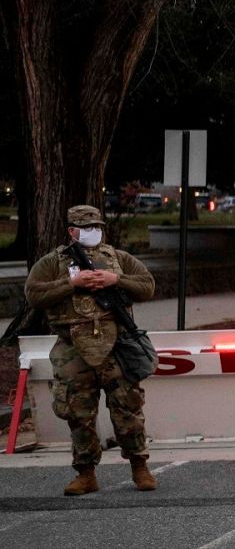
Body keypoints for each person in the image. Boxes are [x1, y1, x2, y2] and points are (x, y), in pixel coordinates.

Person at [22, 204, 158, 495]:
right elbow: (34, 294)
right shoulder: (53, 262)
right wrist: (72, 283)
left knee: (127, 408)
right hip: (73, 349)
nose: (93, 232)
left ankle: (139, 466)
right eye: (86, 228)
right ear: (71, 231)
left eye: (97, 227)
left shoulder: (118, 258)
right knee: (77, 412)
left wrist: (115, 279)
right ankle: (85, 473)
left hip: (116, 346)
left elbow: (147, 286)